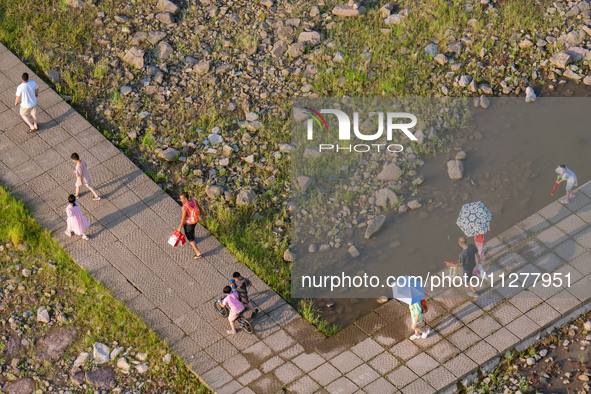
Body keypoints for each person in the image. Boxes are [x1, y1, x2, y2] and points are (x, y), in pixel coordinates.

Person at [177, 192, 203, 260]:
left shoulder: (184, 207)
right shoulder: (194, 201)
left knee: (190, 237)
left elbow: (183, 218)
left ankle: (198, 252)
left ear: (185, 199)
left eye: (181, 199)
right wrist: (203, 216)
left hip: (188, 224)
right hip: (195, 221)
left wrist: (179, 227)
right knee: (192, 230)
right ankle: (194, 239)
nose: (181, 200)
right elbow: (200, 208)